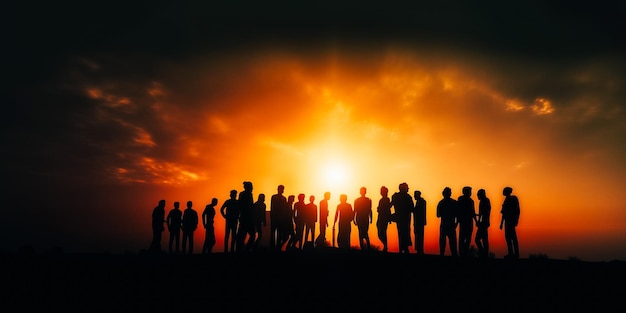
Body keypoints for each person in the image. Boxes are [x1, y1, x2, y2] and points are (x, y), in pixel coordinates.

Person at [391, 182, 413, 253]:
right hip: (404, 218)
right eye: (407, 188)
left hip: (401, 218)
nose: (408, 189)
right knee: (404, 233)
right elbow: (411, 208)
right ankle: (404, 248)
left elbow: (391, 204)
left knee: (401, 233)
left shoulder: (396, 196)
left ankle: (402, 248)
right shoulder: (407, 197)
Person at [437, 187, 458, 257]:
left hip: (444, 225)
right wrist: (456, 223)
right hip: (451, 225)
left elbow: (438, 215)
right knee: (452, 244)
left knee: (443, 244)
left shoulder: (441, 203)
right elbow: (458, 214)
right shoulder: (454, 203)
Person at [500, 186, 520, 259]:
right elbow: (503, 213)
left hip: (511, 221)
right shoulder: (506, 200)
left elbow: (517, 211)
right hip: (507, 221)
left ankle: (516, 254)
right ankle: (511, 253)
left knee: (513, 238)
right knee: (508, 238)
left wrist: (516, 220)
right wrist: (501, 223)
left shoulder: (513, 199)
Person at [236, 181, 255, 252]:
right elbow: (242, 206)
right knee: (245, 235)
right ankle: (244, 249)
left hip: (246, 218)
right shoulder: (245, 195)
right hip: (246, 218)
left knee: (243, 236)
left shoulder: (247, 194)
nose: (252, 188)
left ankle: (243, 249)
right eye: (251, 187)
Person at [457, 186, 476, 257]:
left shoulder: (471, 201)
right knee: (463, 238)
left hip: (467, 222)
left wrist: (476, 221)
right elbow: (458, 210)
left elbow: (473, 212)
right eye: (469, 191)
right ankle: (462, 253)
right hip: (464, 222)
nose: (470, 193)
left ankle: (464, 252)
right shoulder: (461, 199)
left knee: (467, 238)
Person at [353, 186, 372, 251]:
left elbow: (369, 210)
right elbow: (355, 210)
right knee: (363, 232)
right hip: (362, 218)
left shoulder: (367, 200)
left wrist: (370, 218)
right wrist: (354, 218)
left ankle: (365, 247)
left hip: (362, 218)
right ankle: (366, 247)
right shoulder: (367, 200)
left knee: (362, 232)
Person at [474, 189, 491, 259]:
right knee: (484, 239)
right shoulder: (484, 201)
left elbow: (485, 213)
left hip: (484, 222)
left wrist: (479, 221)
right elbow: (482, 213)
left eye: (478, 195)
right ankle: (484, 254)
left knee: (478, 239)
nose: (478, 196)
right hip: (484, 222)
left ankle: (483, 253)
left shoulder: (485, 201)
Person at [270, 185, 287, 250]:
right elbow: (272, 207)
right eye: (282, 189)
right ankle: (273, 247)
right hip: (276, 217)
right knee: (273, 233)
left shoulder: (283, 198)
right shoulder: (274, 197)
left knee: (279, 233)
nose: (283, 190)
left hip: (280, 218)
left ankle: (277, 247)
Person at [376, 186, 392, 252]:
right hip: (381, 217)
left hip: (383, 217)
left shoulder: (386, 199)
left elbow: (387, 209)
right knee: (381, 232)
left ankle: (385, 246)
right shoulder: (382, 199)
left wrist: (389, 218)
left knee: (382, 232)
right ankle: (385, 246)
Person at [413, 190, 427, 256]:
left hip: (419, 222)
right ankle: (419, 250)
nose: (414, 196)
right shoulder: (420, 202)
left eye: (415, 195)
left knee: (419, 236)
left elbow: (418, 211)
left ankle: (420, 250)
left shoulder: (421, 202)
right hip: (418, 222)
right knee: (418, 236)